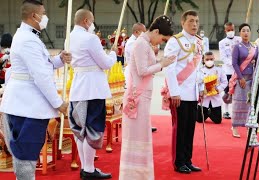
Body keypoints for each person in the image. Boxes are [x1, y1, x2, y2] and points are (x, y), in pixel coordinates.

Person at [0, 0, 71, 179]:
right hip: (26, 106)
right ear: (34, 16)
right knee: (25, 159)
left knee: (27, 158)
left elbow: (43, 65)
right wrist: (58, 103)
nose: (45, 17)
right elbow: (40, 76)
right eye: (43, 13)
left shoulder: (30, 36)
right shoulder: (27, 40)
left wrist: (60, 59)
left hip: (26, 105)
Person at [119, 15, 175, 180]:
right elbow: (143, 71)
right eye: (162, 39)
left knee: (141, 135)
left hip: (142, 96)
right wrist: (161, 64)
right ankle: (133, 174)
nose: (161, 42)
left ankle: (140, 173)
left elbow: (144, 67)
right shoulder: (141, 44)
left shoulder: (145, 44)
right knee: (137, 136)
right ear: (156, 31)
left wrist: (160, 61)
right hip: (138, 97)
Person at [68, 9, 117, 179]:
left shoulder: (70, 37)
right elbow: (105, 63)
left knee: (80, 130)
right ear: (86, 21)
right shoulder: (90, 38)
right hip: (92, 89)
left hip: (78, 87)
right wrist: (113, 54)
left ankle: (86, 167)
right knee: (92, 129)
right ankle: (88, 170)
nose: (93, 25)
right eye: (92, 21)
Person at [164, 10, 203, 174]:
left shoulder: (199, 42)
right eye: (191, 21)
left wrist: (201, 88)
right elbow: (169, 68)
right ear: (183, 23)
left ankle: (188, 159)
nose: (194, 24)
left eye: (196, 21)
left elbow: (199, 68)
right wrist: (174, 92)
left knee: (190, 129)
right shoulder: (175, 41)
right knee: (179, 129)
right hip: (179, 93)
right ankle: (179, 161)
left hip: (193, 93)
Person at [229, 23, 258, 138]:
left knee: (249, 104)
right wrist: (240, 78)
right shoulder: (237, 46)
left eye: (247, 30)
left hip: (251, 79)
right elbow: (234, 63)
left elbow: (257, 60)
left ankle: (248, 125)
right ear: (240, 33)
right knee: (238, 103)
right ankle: (235, 127)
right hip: (240, 79)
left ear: (250, 33)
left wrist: (254, 62)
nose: (246, 33)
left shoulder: (254, 47)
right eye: (243, 31)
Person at [219, 22, 242, 119]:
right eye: (228, 30)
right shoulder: (222, 42)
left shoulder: (239, 40)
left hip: (239, 70)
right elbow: (223, 57)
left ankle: (236, 110)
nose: (230, 31)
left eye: (232, 29)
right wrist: (232, 63)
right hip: (228, 70)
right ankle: (226, 111)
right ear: (225, 31)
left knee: (238, 91)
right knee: (227, 91)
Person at [197, 51, 228, 124]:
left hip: (215, 97)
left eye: (211, 59)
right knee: (199, 120)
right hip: (204, 98)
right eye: (207, 59)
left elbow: (225, 82)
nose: (209, 61)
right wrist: (200, 90)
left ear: (214, 59)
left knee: (217, 121)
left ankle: (210, 112)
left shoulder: (219, 70)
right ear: (203, 60)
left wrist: (218, 89)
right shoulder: (200, 70)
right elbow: (197, 83)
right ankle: (206, 112)